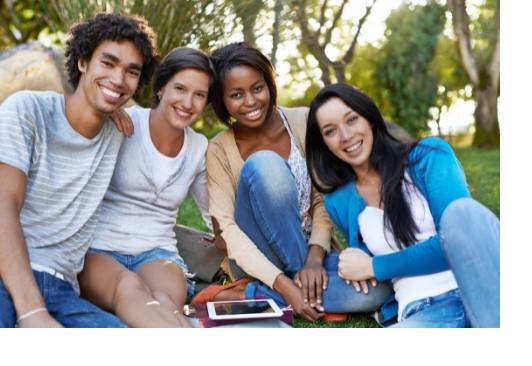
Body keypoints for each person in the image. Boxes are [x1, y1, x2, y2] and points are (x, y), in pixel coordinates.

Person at [195, 42, 392, 322]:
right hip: (258, 260)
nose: (250, 101)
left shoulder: (303, 121)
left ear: (270, 84)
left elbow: (322, 196)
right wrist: (284, 284)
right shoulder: (218, 149)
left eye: (257, 88)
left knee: (379, 289)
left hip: (312, 250)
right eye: (236, 94)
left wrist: (314, 260)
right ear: (222, 100)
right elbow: (227, 230)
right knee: (265, 165)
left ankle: (250, 295)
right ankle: (289, 289)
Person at [0, 13, 158, 328]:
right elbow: (3, 206)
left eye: (131, 72)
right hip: (6, 275)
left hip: (62, 289)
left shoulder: (120, 129)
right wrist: (33, 313)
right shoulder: (28, 110)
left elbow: (169, 120)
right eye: (108, 63)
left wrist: (119, 107)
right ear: (83, 62)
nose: (118, 78)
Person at [305, 83, 500, 327]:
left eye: (352, 119)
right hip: (424, 312)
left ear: (370, 118)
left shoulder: (429, 156)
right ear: (323, 143)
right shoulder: (339, 201)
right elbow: (366, 273)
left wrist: (373, 266)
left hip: (485, 293)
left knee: (461, 213)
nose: (346, 136)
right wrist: (354, 263)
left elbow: (456, 240)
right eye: (330, 131)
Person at [78, 47, 214, 328]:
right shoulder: (123, 121)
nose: (188, 102)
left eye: (199, 95)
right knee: (128, 287)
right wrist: (103, 114)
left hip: (157, 253)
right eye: (179, 88)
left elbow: (214, 215)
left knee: (166, 302)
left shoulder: (198, 147)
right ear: (161, 87)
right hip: (99, 249)